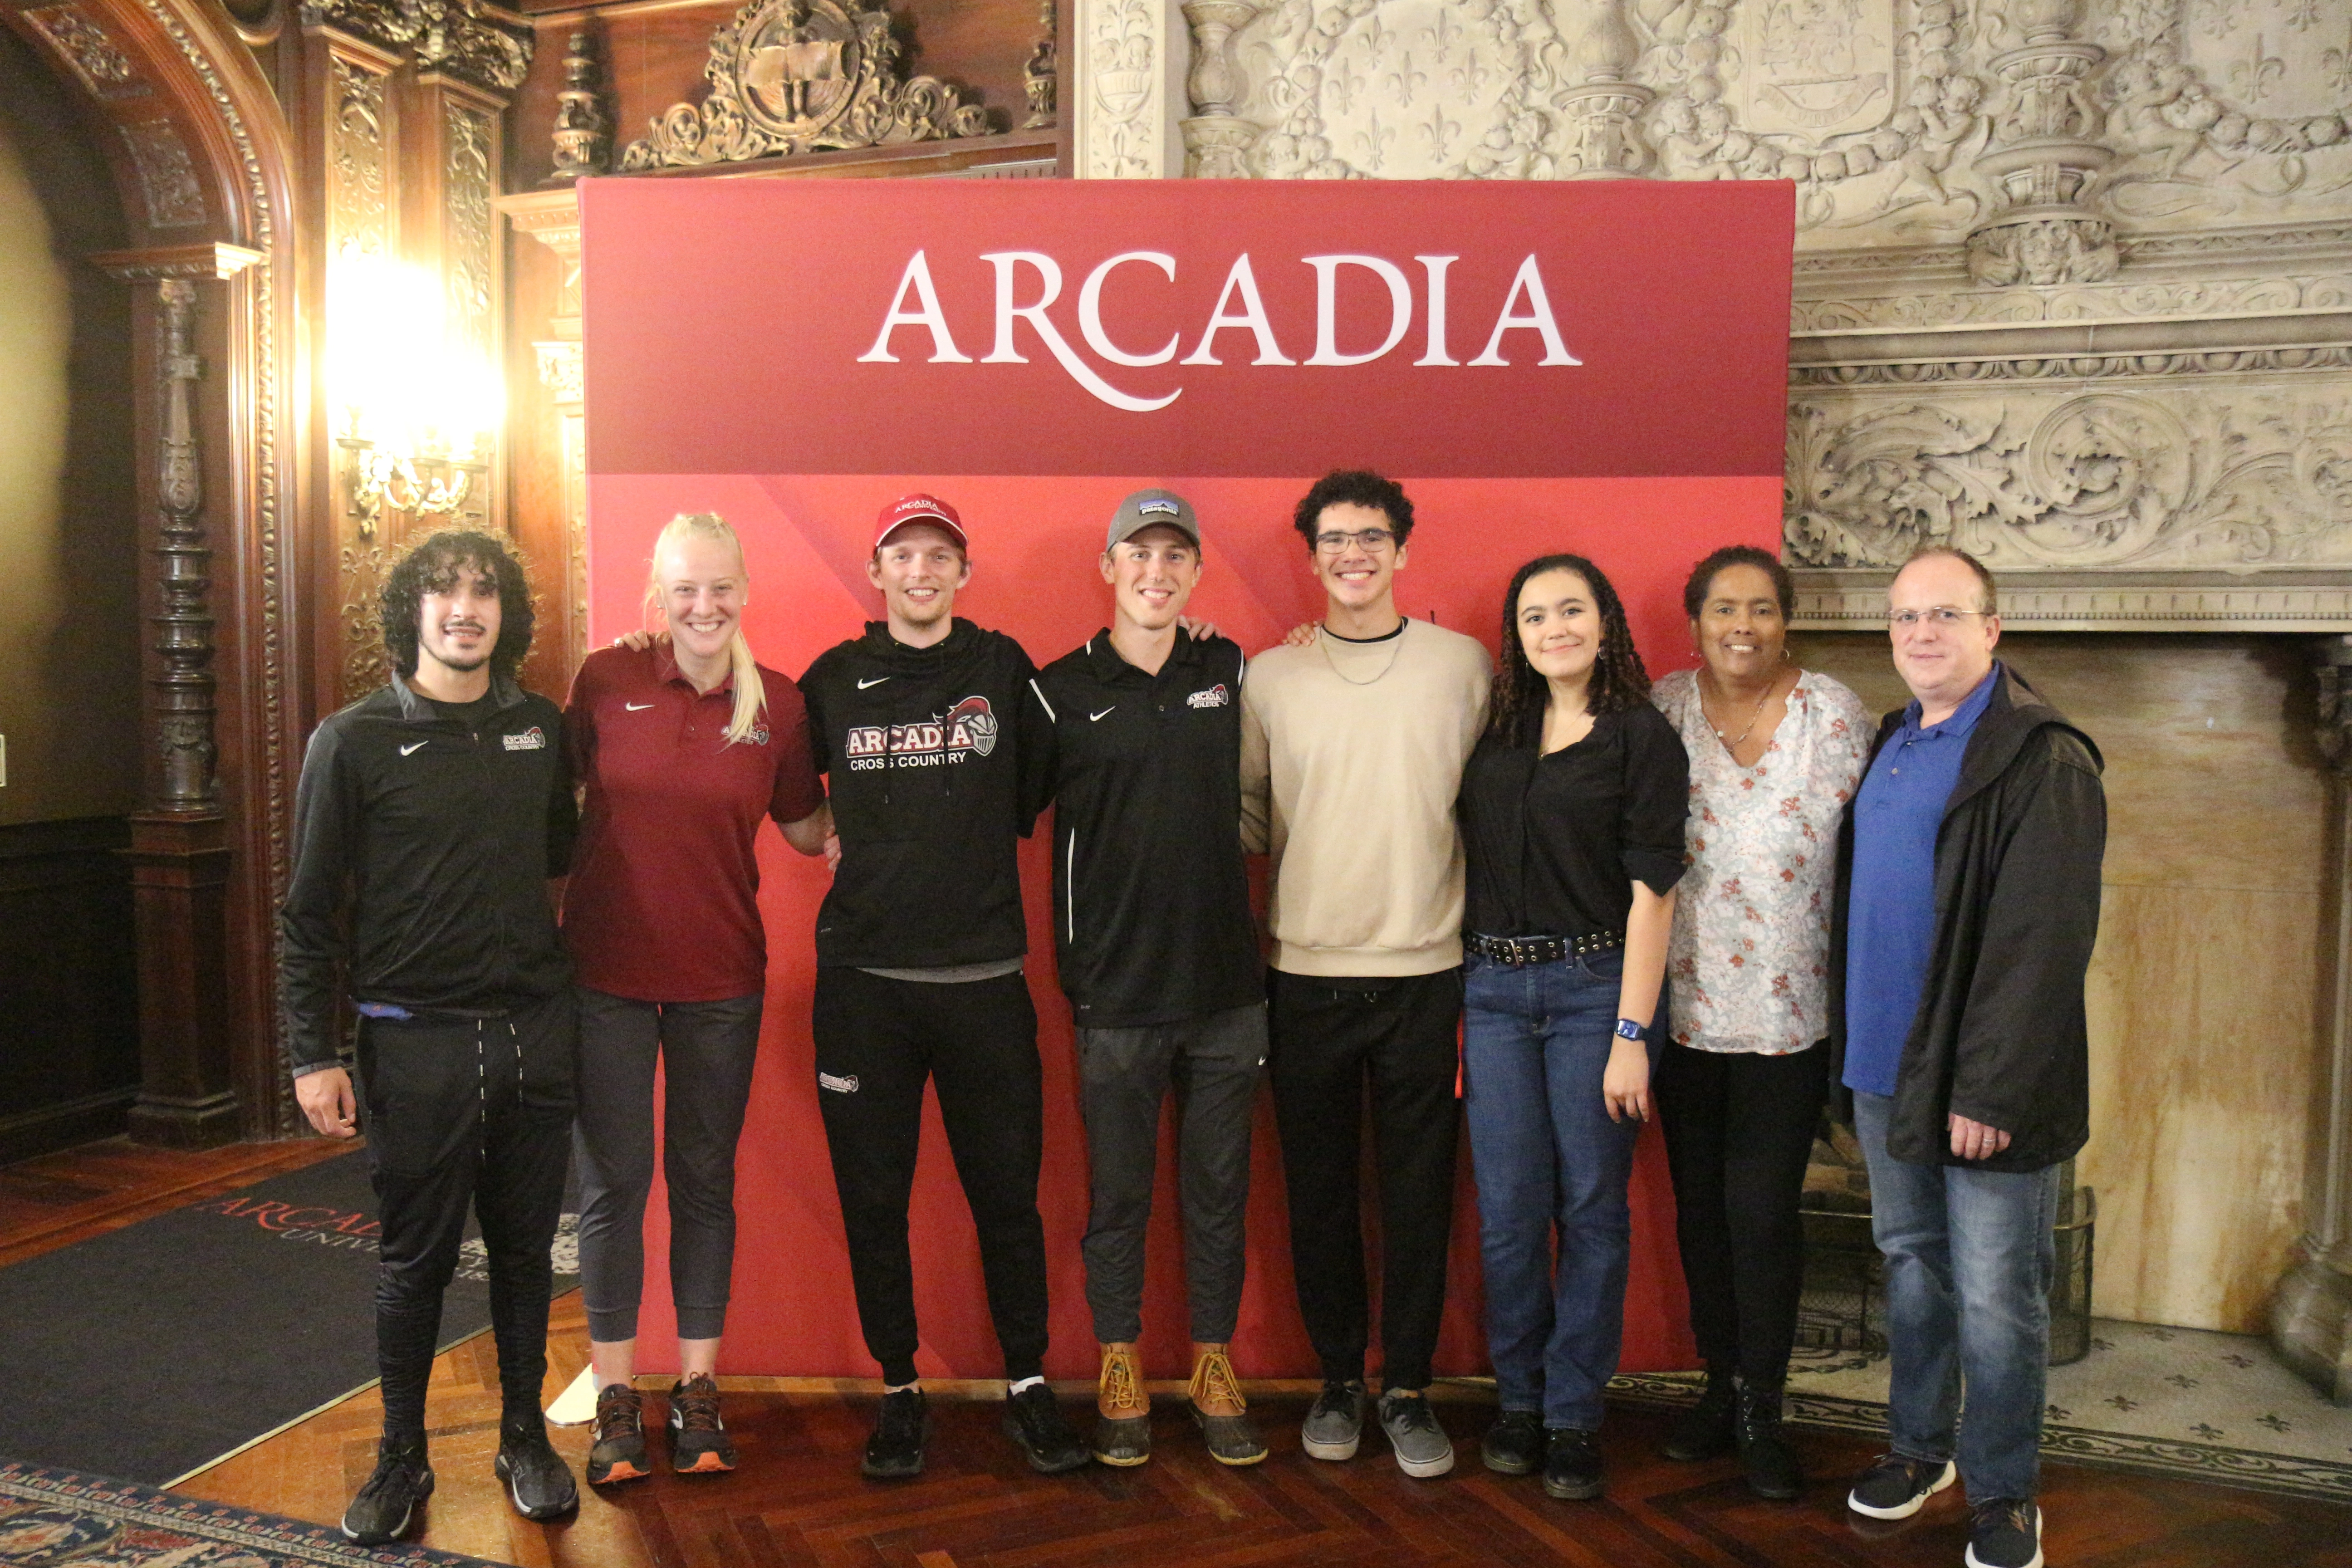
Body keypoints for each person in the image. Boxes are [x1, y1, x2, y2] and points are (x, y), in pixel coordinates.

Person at [281, 529, 580, 1544]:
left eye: (486, 593)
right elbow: (309, 912)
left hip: (535, 1031)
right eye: (446, 592)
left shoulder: (541, 726)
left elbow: (556, 858)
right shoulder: (351, 739)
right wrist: (311, 1054)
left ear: (508, 614)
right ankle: (400, 1460)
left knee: (530, 1256)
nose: (466, 609)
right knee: (415, 1264)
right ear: (411, 609)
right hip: (412, 1041)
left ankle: (523, 1438)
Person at [796, 493, 1088, 1479]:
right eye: (902, 557)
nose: (920, 573)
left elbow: (1065, 756)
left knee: (1008, 1199)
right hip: (866, 991)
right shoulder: (830, 683)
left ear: (964, 572)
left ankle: (1028, 1385)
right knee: (873, 1201)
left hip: (984, 984)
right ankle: (899, 1389)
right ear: (876, 574)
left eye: (939, 557)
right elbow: (778, 781)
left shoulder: (1005, 670)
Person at [1832, 546, 2104, 1568]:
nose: (1921, 635)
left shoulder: (2042, 755)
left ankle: (2002, 1492)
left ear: (1993, 629)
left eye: (1945, 615)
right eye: (1904, 618)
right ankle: (1919, 1449)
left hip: (1985, 1081)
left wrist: (1988, 1088)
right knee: (1913, 1268)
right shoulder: (1890, 740)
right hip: (1880, 1066)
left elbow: (2044, 944)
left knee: (1999, 1293)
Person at [563, 513, 832, 1484]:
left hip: (723, 979)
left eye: (719, 587)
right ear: (657, 595)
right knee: (614, 1189)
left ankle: (699, 1391)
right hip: (605, 978)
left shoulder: (784, 706)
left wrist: (912, 813)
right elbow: (555, 809)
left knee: (705, 1183)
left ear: (745, 589)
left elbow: (806, 827)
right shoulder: (606, 678)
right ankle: (614, 1399)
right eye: (684, 589)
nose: (703, 607)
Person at [1240, 469, 1491, 1478]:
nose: (1353, 554)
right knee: (1320, 1193)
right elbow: (1248, 818)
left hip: (1429, 972)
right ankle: (1340, 1378)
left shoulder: (1463, 666)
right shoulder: (1271, 677)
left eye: (1372, 536)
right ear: (1311, 557)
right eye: (1334, 539)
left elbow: (1494, 804)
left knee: (1422, 1195)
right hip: (1302, 974)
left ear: (1403, 549)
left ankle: (1410, 1387)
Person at [1032, 490, 1268, 1468]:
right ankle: (1119, 1359)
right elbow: (980, 803)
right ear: (1109, 566)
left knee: (1219, 1195)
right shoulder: (1056, 689)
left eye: (1176, 557)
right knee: (1119, 1198)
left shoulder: (1234, 668)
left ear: (1196, 573)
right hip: (1116, 997)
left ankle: (1214, 1361)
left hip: (1226, 992)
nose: (1157, 573)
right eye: (1140, 554)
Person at [1455, 553, 1688, 1502]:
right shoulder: (1497, 732)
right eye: (1535, 615)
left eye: (1572, 610)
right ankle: (1518, 1400)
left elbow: (1655, 897)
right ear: (1515, 634)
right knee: (1509, 1215)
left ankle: (1573, 1415)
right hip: (1493, 992)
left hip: (1598, 991)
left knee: (1590, 1211)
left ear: (1606, 622)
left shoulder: (1641, 737)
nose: (1554, 628)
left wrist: (1633, 1032)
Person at [1650, 544, 1871, 1499]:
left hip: (1789, 1020)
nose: (1744, 626)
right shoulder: (1661, 710)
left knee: (1762, 1218)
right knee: (1699, 1215)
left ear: (1788, 621)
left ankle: (1763, 1409)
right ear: (1696, 620)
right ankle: (1715, 1386)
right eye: (1724, 609)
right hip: (1682, 1015)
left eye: (1763, 609)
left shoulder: (1835, 713)